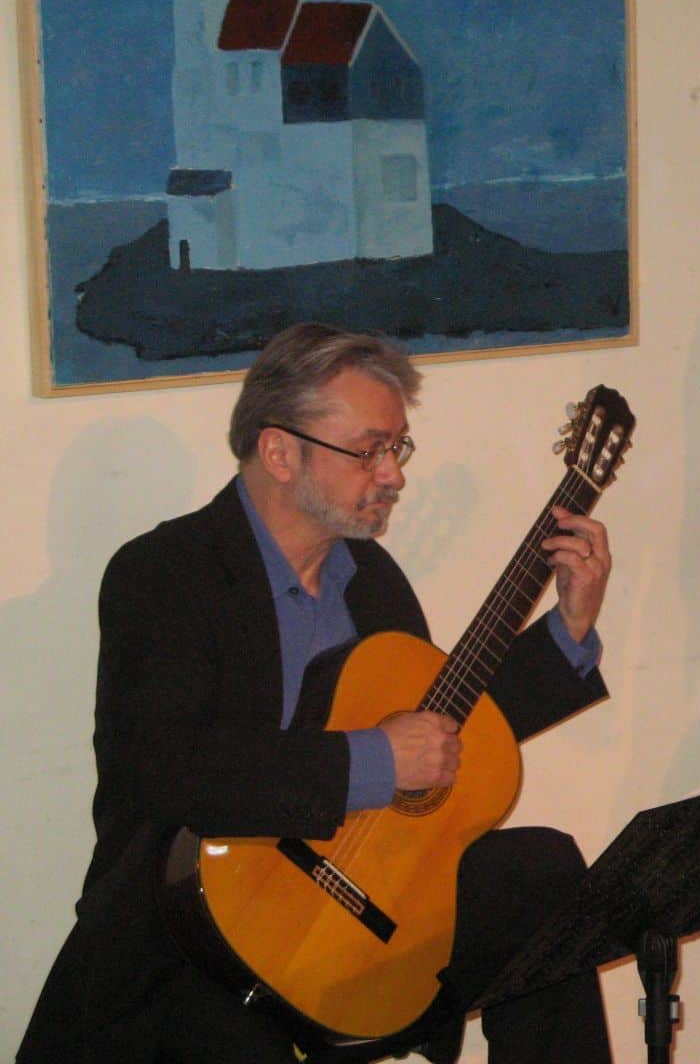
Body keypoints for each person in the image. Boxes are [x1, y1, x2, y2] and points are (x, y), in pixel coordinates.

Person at [20, 323, 617, 1063]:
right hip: (191, 935)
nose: (393, 475)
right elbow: (169, 771)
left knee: (540, 876)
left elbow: (444, 735)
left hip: (355, 906)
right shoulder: (164, 574)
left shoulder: (372, 583)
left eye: (397, 448)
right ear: (280, 452)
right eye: (369, 450)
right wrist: (372, 761)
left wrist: (568, 628)